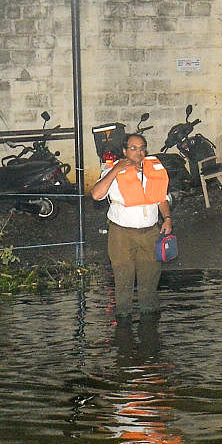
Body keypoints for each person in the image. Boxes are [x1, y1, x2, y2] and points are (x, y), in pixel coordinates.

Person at [89, 133, 171, 317]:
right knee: (123, 282)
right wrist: (115, 169)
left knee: (150, 283)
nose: (138, 152)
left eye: (142, 148)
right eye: (133, 148)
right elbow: (96, 194)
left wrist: (167, 218)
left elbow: (162, 198)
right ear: (125, 151)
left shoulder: (153, 170)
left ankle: (149, 330)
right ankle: (123, 328)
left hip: (150, 233)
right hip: (121, 235)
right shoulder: (114, 171)